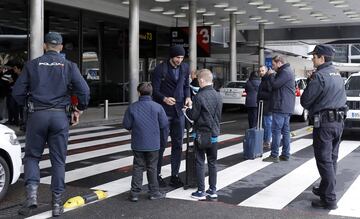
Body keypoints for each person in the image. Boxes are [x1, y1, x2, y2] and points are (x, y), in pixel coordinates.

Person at [13, 32, 90, 217]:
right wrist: (78, 108)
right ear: (61, 47)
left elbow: (17, 92)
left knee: (32, 157)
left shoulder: (32, 65)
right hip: (59, 117)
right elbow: (84, 91)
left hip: (37, 115)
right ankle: (56, 204)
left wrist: (28, 105)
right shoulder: (69, 66)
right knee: (58, 160)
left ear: (45, 46)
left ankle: (32, 197)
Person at [301, 44, 347, 210]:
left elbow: (305, 101)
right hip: (338, 123)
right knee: (331, 160)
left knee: (324, 161)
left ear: (322, 58)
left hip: (325, 124)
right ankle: (325, 190)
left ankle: (329, 199)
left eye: (314, 56)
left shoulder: (319, 76)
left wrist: (309, 82)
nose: (312, 58)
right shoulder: (337, 74)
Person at [151, 45, 192, 188]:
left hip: (179, 110)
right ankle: (157, 175)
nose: (180, 60)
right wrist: (164, 99)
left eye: (181, 57)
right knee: (161, 144)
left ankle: (174, 175)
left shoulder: (185, 68)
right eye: (177, 57)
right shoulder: (159, 70)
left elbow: (187, 85)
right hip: (164, 111)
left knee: (178, 145)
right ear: (171, 57)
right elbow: (154, 91)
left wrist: (188, 97)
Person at [123, 82, 168, 202]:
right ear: (151, 92)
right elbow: (164, 124)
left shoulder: (132, 107)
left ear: (138, 92)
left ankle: (134, 193)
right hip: (153, 143)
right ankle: (154, 192)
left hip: (138, 143)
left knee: (138, 167)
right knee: (152, 167)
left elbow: (126, 125)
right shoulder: (158, 107)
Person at [183, 69, 222, 200]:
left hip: (201, 134)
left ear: (201, 80)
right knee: (212, 162)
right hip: (214, 133)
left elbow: (193, 116)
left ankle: (201, 191)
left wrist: (187, 110)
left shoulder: (199, 96)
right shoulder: (218, 95)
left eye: (198, 80)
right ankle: (213, 190)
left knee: (200, 161)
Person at [263, 55, 295, 163]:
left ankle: (274, 155)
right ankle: (285, 154)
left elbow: (275, 85)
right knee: (285, 131)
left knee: (276, 131)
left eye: (273, 64)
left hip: (280, 106)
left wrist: (272, 75)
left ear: (279, 63)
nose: (273, 67)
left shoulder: (285, 72)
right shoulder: (287, 70)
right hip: (286, 106)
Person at [257, 65, 273, 149]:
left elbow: (271, 93)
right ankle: (266, 140)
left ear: (266, 71)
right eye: (260, 71)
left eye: (262, 71)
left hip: (268, 106)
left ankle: (267, 141)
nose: (261, 72)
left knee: (268, 124)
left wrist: (260, 94)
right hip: (264, 106)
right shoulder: (264, 79)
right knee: (265, 124)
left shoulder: (268, 79)